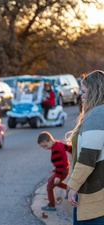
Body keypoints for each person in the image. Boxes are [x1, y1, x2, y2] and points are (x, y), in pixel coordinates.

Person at [65, 70, 104, 224]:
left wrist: (73, 186)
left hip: (94, 195)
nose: (81, 96)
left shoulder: (97, 115)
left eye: (84, 92)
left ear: (95, 92)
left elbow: (88, 157)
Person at [37, 131, 72, 211]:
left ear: (49, 140)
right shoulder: (58, 143)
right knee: (51, 181)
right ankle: (68, 188)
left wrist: (58, 176)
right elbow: (68, 147)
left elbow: (59, 164)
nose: (45, 148)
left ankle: (51, 205)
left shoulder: (55, 150)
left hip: (61, 171)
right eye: (43, 147)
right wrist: (73, 151)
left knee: (49, 187)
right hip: (65, 169)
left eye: (45, 146)